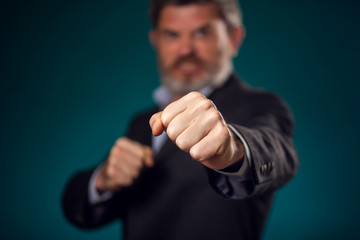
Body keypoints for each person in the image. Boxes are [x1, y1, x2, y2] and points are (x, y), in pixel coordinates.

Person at [62, 0, 299, 239]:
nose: (185, 49)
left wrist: (233, 149)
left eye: (202, 32)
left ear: (234, 39)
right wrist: (105, 179)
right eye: (172, 35)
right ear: (156, 41)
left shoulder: (260, 105)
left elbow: (277, 153)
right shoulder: (141, 123)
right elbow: (77, 209)